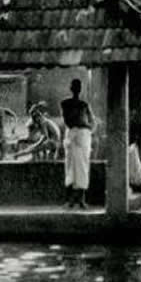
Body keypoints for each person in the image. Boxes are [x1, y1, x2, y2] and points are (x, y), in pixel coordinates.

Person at [60, 78, 94, 209]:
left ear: (80, 89)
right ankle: (69, 200)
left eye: (78, 86)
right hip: (72, 136)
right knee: (70, 168)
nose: (76, 88)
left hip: (84, 137)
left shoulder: (84, 105)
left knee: (83, 168)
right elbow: (68, 121)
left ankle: (81, 199)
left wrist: (87, 128)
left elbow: (92, 121)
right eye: (74, 86)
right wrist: (83, 124)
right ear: (71, 88)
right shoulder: (65, 103)